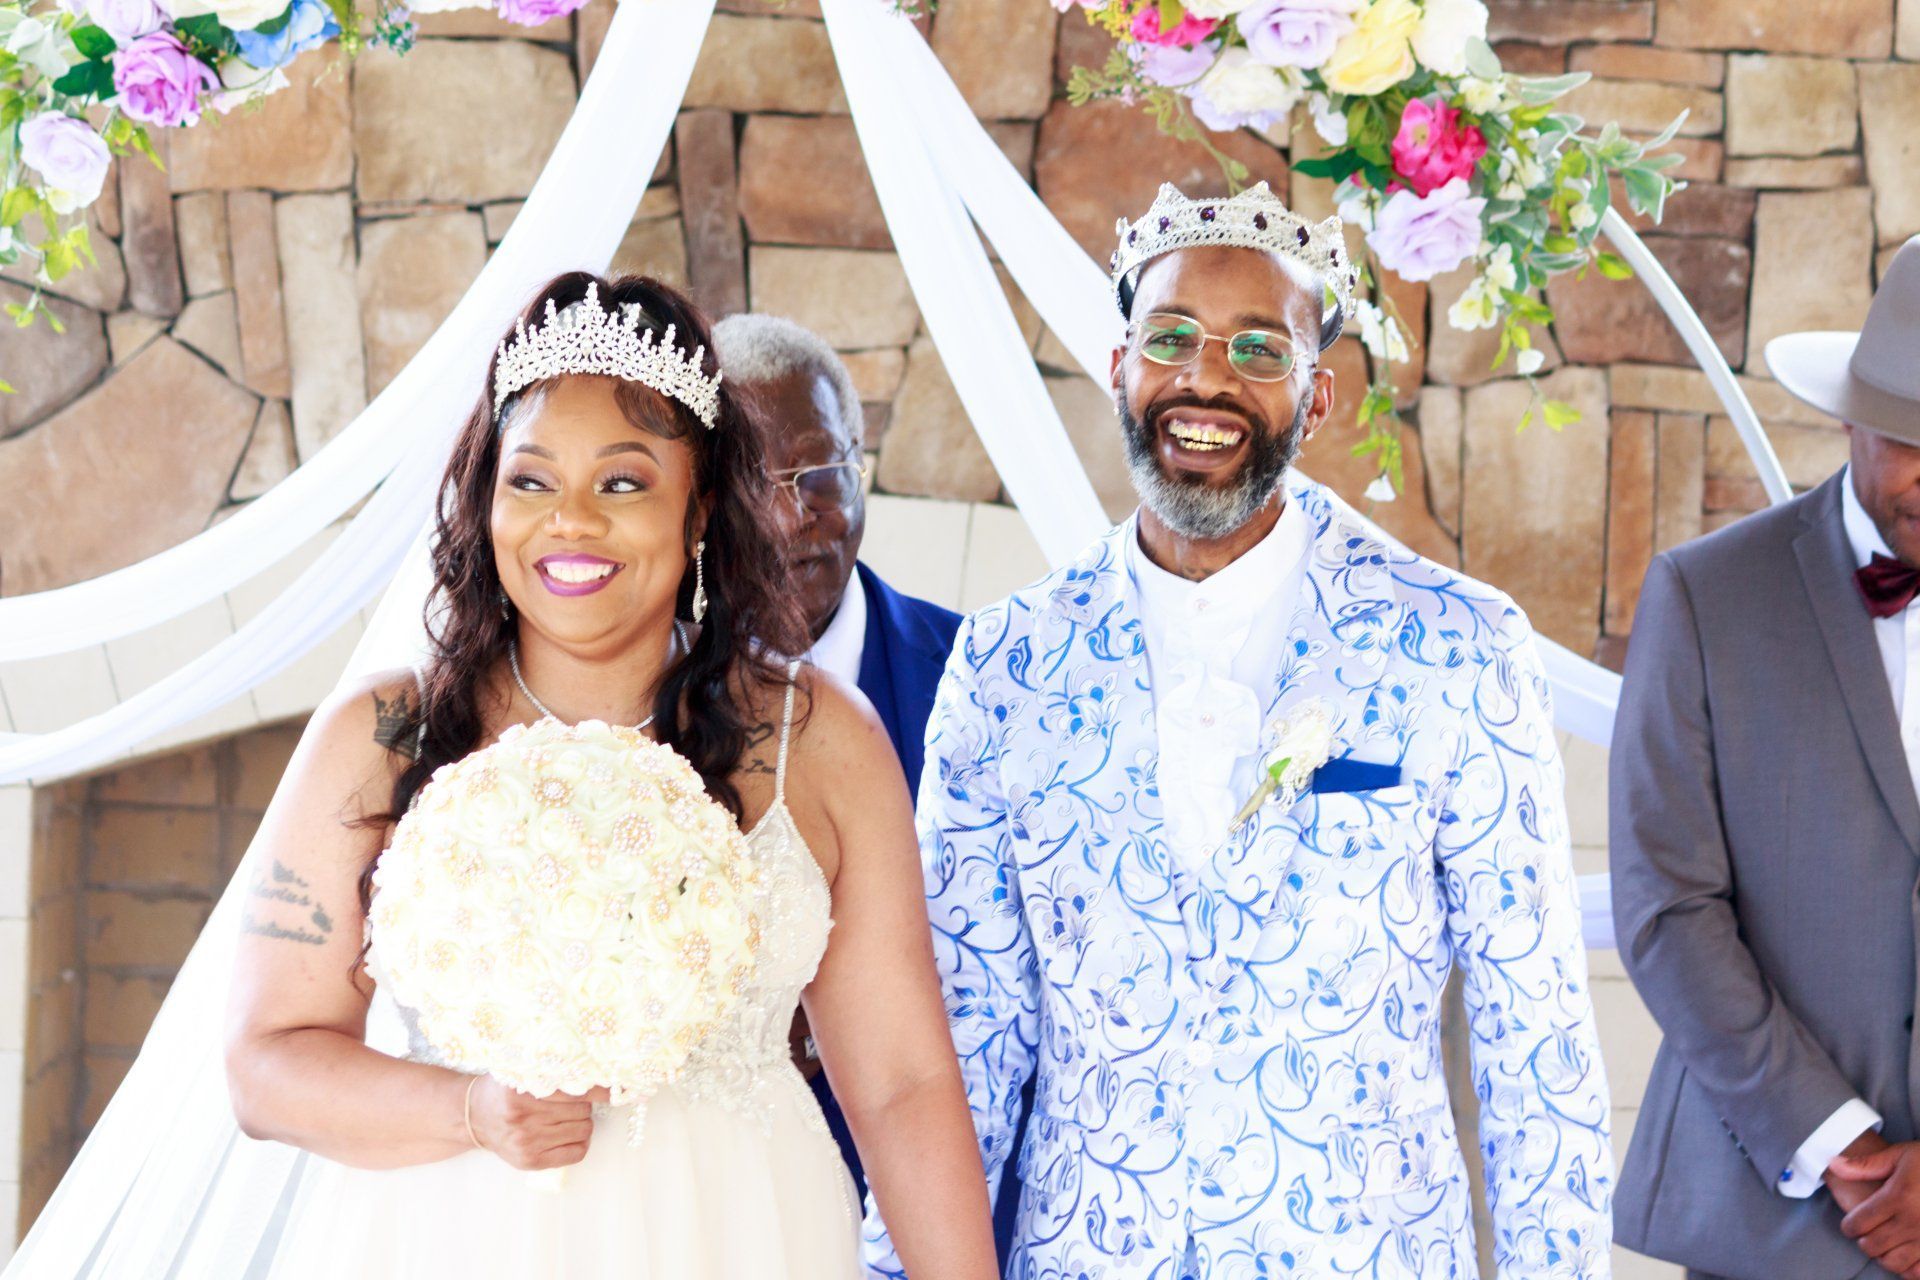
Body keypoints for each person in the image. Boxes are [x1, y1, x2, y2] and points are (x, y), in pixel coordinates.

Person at [862, 182, 1613, 1279]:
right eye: (1172, 338)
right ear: (1121, 366)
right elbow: (963, 1042)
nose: (1205, 376)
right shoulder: (1007, 663)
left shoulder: (1456, 648)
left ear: (1313, 403)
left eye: (1259, 349)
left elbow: (1535, 1046)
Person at [212, 273, 997, 1278]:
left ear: (701, 505)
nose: (569, 522)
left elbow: (900, 1082)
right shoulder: (386, 733)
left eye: (623, 483)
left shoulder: (822, 739)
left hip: (745, 1235)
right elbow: (264, 1060)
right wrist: (471, 1107)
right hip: (451, 1238)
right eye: (530, 481)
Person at [1611, 236, 1920, 1280]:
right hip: (1774, 1223)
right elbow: (1667, 905)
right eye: (1912, 437)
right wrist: (1843, 1143)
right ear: (1848, 416)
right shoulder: (1709, 596)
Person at [711, 315, 1005, 1223]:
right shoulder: (642, 703)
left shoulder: (989, 682)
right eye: (755, 481)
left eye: (820, 471)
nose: (796, 514)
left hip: (956, 1193)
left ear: (861, 460)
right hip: (714, 1203)